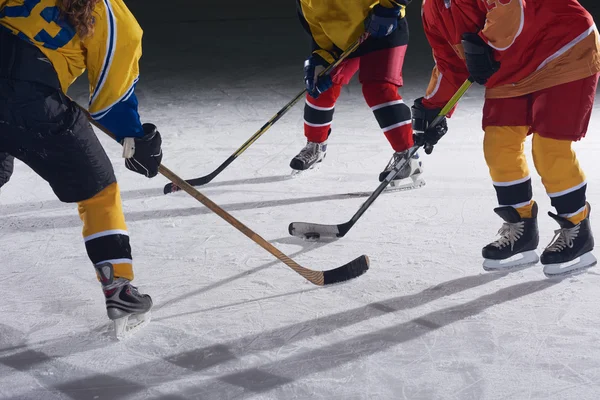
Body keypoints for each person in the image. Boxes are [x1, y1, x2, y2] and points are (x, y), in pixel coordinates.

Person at [0, 0, 163, 337]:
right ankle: (119, 289)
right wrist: (134, 137)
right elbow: (111, 99)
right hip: (33, 103)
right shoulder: (109, 12)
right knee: (98, 192)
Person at [414, 0, 599, 276]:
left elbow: (513, 13)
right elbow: (451, 64)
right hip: (511, 68)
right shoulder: (432, 10)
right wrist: (433, 110)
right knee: (498, 144)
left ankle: (577, 229)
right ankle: (520, 228)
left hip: (562, 48)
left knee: (549, 149)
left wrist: (482, 44)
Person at [291, 0, 424, 190]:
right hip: (345, 42)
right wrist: (322, 58)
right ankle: (315, 146)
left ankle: (408, 157)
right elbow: (319, 33)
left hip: (384, 29)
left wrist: (391, 6)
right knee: (320, 85)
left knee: (378, 88)